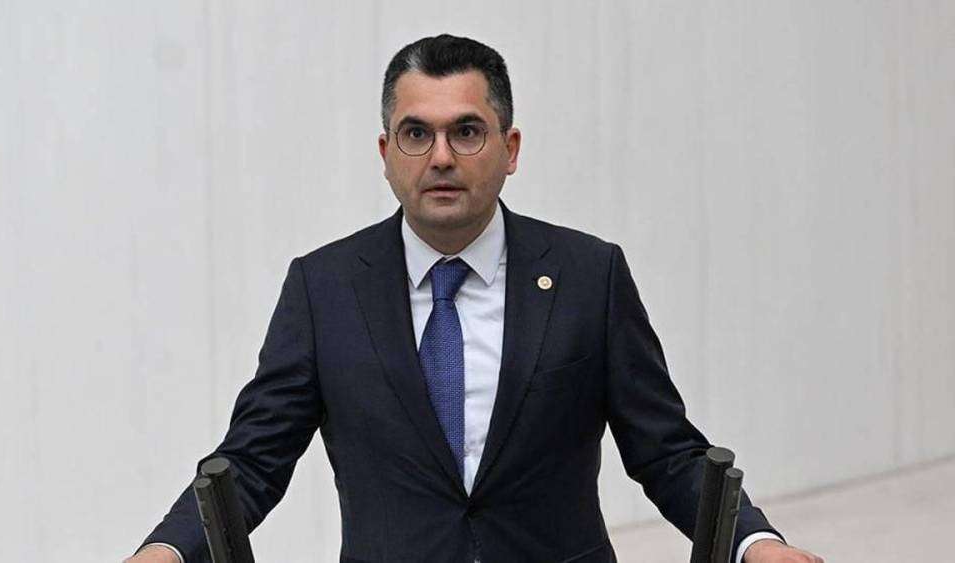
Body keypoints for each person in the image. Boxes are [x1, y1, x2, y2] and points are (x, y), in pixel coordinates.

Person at [126, 34, 824, 563]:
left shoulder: (589, 275)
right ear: (384, 152)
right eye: (416, 133)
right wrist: (168, 550)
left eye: (466, 131)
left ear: (510, 148)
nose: (440, 157)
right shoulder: (324, 287)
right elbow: (253, 460)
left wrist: (754, 544)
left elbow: (665, 451)